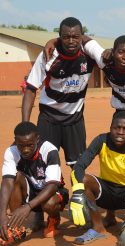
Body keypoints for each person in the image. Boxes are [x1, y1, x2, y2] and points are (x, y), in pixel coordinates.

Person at [44, 34, 125, 158]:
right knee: (118, 156)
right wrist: (56, 40)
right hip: (122, 113)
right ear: (113, 51)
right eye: (121, 52)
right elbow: (82, 38)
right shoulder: (104, 60)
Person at [70, 111, 125, 244]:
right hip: (106, 191)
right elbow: (79, 166)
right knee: (84, 180)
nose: (120, 132)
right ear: (110, 128)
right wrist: (77, 192)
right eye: (117, 128)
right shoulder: (101, 140)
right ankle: (98, 228)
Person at [22, 17, 94, 168]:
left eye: (75, 36)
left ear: (82, 36)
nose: (71, 41)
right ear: (60, 36)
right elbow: (30, 88)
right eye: (66, 37)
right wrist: (25, 124)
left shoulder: (89, 54)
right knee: (45, 163)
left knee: (78, 165)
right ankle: (56, 190)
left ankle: (78, 192)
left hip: (75, 118)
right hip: (49, 117)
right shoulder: (48, 55)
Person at [0, 121, 69, 246]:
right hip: (31, 190)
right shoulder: (11, 152)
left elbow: (52, 186)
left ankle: (54, 218)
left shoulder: (49, 150)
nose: (25, 150)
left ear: (37, 139)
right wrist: (2, 214)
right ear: (15, 141)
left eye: (30, 145)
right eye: (21, 146)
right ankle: (15, 227)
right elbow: (7, 182)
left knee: (49, 203)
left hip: (53, 193)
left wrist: (28, 207)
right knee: (15, 177)